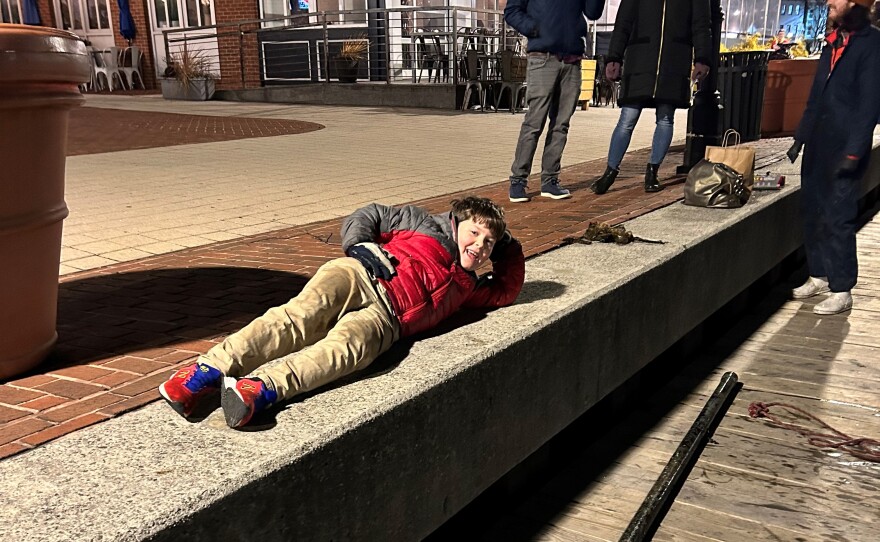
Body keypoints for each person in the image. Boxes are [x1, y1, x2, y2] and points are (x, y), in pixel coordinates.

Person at [159, 197, 526, 428]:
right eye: (474, 233)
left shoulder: (467, 286)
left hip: (387, 321)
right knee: (297, 320)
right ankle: (204, 373)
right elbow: (370, 214)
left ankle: (260, 391)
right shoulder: (422, 223)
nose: (478, 246)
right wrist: (360, 246)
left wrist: (508, 244)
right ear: (455, 222)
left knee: (345, 353)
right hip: (360, 275)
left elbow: (506, 291)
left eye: (488, 243)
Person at [786, 0, 880, 315]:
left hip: (846, 146)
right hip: (818, 142)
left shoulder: (871, 44)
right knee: (812, 211)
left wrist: (855, 150)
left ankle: (842, 288)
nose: (829, 3)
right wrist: (801, 136)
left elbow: (869, 105)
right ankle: (819, 275)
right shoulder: (833, 41)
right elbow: (816, 94)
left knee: (838, 216)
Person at [590, 0, 712, 195]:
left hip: (673, 59)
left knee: (665, 118)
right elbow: (623, 22)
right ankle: (610, 172)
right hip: (640, 58)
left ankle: (652, 172)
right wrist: (614, 57)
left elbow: (701, 25)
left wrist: (702, 59)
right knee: (627, 118)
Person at [504, 0, 605, 203]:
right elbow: (512, 11)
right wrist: (534, 28)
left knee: (561, 125)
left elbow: (593, 13)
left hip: (573, 61)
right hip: (542, 57)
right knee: (534, 123)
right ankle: (518, 181)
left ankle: (549, 181)